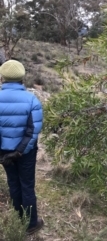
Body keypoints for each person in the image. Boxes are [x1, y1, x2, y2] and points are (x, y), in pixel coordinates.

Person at [0, 60, 44, 235]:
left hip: (4, 152)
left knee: (13, 183)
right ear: (22, 77)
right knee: (27, 185)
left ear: (2, 77)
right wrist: (19, 151)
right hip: (25, 153)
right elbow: (33, 131)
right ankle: (31, 224)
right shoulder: (32, 100)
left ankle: (19, 218)